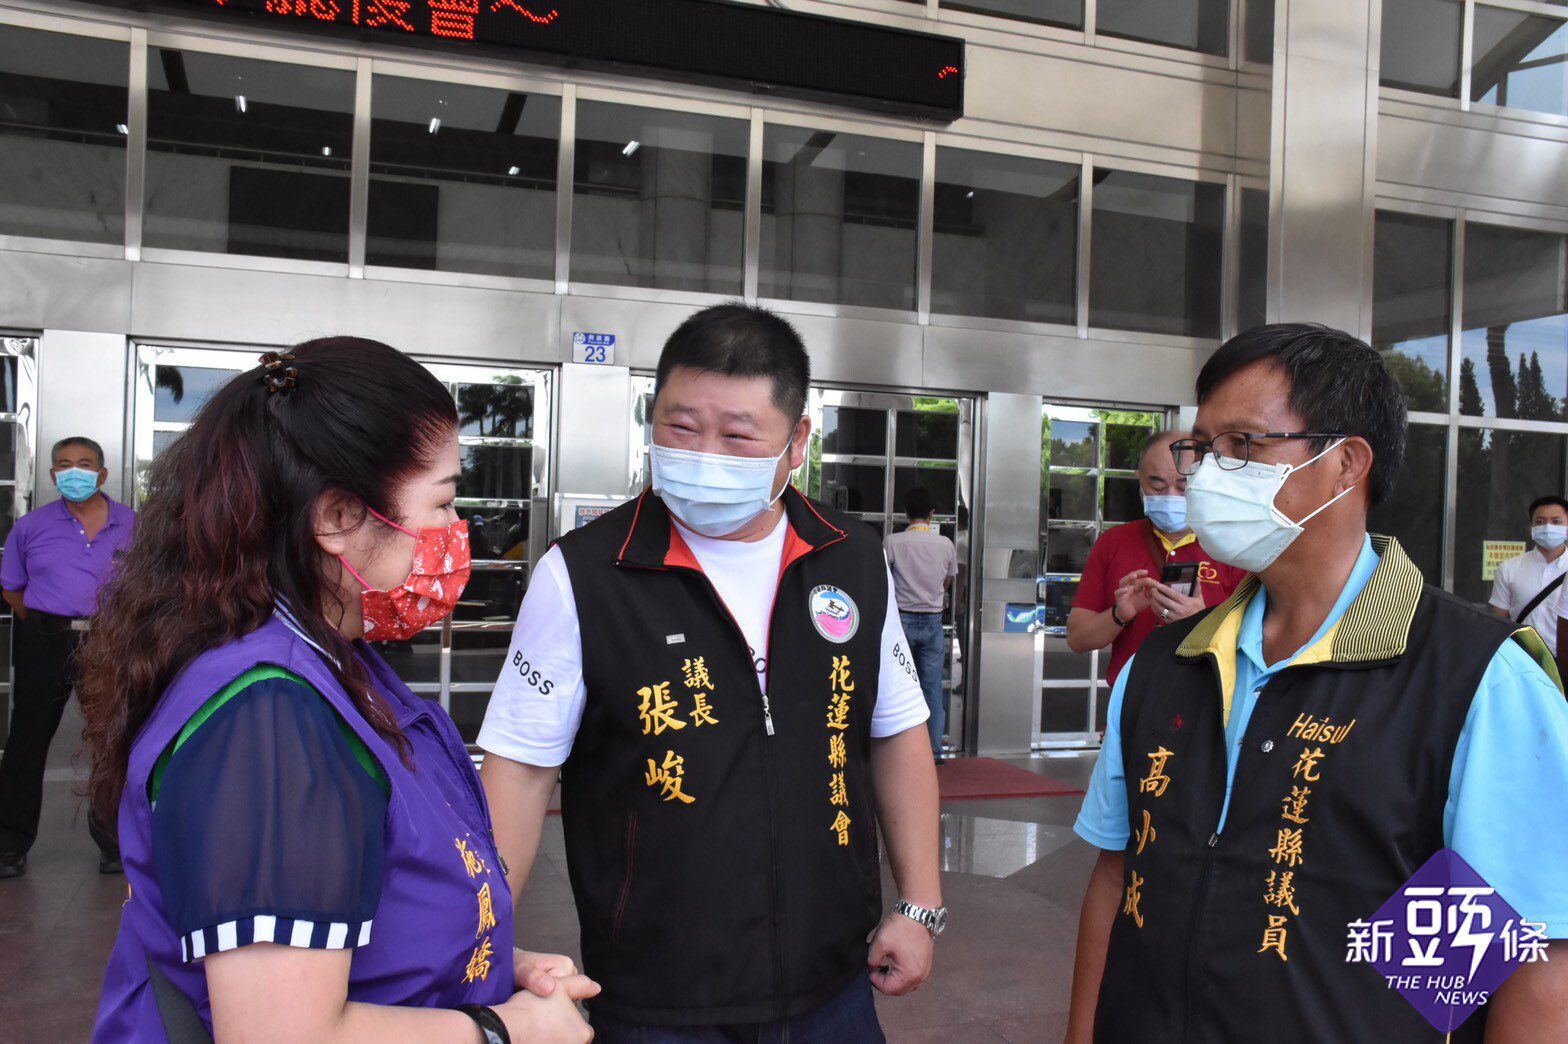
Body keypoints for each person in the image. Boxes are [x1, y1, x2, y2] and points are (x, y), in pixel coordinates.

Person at [82, 339, 597, 1042]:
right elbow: (281, 1033)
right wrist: (504, 1031)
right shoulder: (267, 719)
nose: (456, 535)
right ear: (334, 519)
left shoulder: (336, 663)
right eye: (443, 503)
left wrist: (488, 965)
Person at [1067, 324, 1568, 1042]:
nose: (1208, 475)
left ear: (1345, 465)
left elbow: (1525, 954)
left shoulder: (1472, 677)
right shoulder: (1167, 662)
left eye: (1243, 444)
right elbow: (1119, 873)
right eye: (1203, 448)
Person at [478, 303, 943, 1043]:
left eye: (737, 435)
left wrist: (919, 906)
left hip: (835, 985)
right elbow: (520, 770)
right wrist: (478, 951)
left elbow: (895, 733)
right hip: (657, 996)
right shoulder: (583, 575)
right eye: (681, 427)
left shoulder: (851, 559)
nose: (704, 453)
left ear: (797, 444)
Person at [0, 436, 134, 878]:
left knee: (113, 743)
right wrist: (47, 623)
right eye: (63, 464)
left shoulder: (134, 525)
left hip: (108, 642)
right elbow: (11, 588)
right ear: (54, 473)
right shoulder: (31, 527)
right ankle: (10, 845)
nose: (73, 471)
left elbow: (150, 586)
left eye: (83, 463)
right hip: (45, 639)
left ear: (102, 473)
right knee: (27, 741)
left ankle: (116, 845)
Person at [1065, 429, 1246, 686]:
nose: (1171, 496)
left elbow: (1266, 644)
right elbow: (1077, 639)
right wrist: (1120, 614)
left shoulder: (1234, 545)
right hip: (1130, 705)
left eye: (1183, 486)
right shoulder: (1114, 542)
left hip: (1207, 704)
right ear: (1139, 480)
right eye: (1157, 485)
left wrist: (1202, 619)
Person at [885, 486, 957, 764]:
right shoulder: (946, 545)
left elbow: (886, 579)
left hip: (901, 620)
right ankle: (934, 751)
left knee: (896, 686)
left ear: (906, 514)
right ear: (932, 514)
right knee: (931, 688)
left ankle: (897, 751)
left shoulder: (892, 542)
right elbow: (948, 581)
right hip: (932, 621)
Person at [1490, 495, 1568, 655]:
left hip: (1563, 663)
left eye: (1556, 521)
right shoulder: (1509, 568)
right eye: (1540, 521)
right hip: (1520, 659)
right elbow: (1498, 623)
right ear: (1531, 527)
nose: (1547, 527)